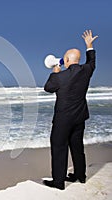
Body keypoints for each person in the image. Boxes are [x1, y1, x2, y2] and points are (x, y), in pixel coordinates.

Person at [43, 30, 98, 190]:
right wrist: (89, 45)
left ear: (66, 60)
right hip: (80, 117)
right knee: (77, 146)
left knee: (59, 147)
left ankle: (58, 182)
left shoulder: (60, 77)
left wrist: (55, 73)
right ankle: (80, 176)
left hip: (63, 120)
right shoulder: (86, 71)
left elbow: (48, 88)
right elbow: (92, 61)